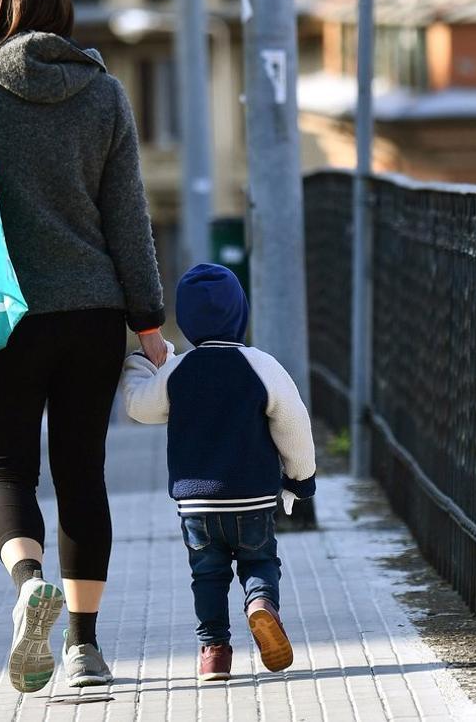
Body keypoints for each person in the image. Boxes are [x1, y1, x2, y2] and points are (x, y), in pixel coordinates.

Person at [0, 0, 169, 692]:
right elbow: (130, 220)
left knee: (4, 469)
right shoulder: (104, 93)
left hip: (5, 310)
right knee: (82, 475)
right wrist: (148, 322)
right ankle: (86, 650)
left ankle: (29, 583)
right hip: (91, 315)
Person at [121, 264, 317, 681]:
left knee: (206, 576)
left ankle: (214, 652)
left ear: (188, 321)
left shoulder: (180, 370)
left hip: (197, 505)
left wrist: (142, 363)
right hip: (254, 497)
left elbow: (140, 407)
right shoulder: (261, 365)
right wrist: (301, 478)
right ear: (241, 313)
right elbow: (293, 422)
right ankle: (261, 604)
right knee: (260, 562)